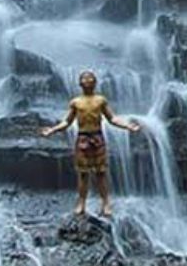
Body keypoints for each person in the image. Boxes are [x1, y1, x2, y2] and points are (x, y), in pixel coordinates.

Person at [39, 70, 141, 216]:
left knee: (101, 172)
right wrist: (52, 130)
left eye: (90, 78)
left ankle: (106, 202)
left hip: (97, 137)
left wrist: (127, 126)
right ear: (80, 83)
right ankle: (81, 202)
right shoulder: (75, 102)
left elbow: (112, 119)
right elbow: (67, 121)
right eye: (84, 78)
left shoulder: (101, 100)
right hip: (82, 138)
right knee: (83, 173)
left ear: (95, 82)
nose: (87, 80)